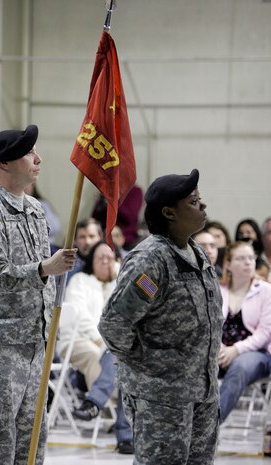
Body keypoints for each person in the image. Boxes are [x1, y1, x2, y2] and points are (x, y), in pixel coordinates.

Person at [0, 125, 77, 465]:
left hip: (33, 344)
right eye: (28, 153)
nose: (38, 158)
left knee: (31, 443)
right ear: (5, 164)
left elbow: (44, 275)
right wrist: (43, 269)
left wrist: (51, 271)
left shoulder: (36, 210)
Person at [99, 169, 223, 465]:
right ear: (169, 212)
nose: (203, 206)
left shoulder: (197, 253)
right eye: (193, 202)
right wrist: (152, 368)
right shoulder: (151, 261)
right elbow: (114, 326)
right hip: (161, 398)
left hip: (202, 393)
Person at [59, 241, 133, 454]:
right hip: (79, 341)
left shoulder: (120, 282)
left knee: (120, 359)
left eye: (109, 258)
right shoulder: (81, 281)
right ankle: (120, 426)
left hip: (112, 346)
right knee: (100, 355)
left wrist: (118, 271)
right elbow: (79, 316)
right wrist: (100, 340)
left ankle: (94, 403)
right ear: (91, 260)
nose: (104, 261)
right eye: (100, 257)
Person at [218, 241, 271, 423]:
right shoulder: (218, 289)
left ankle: (209, 428)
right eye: (241, 258)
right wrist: (219, 348)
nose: (248, 262)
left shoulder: (265, 291)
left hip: (257, 353)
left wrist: (236, 350)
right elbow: (208, 325)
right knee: (192, 365)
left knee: (240, 366)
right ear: (228, 264)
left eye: (251, 258)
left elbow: (265, 332)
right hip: (219, 351)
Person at [66, 218, 103, 283]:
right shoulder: (67, 269)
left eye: (92, 236)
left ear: (101, 238)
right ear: (75, 241)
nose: (87, 242)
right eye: (82, 237)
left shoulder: (109, 262)